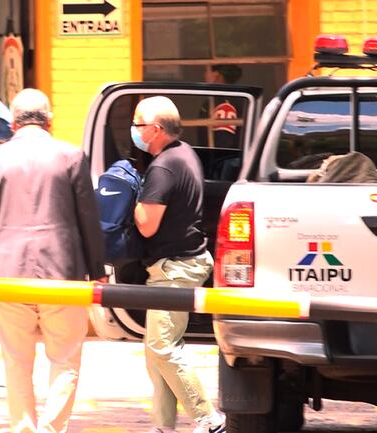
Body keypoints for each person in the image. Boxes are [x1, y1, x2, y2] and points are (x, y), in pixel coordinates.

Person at [0, 88, 106, 433]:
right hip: (63, 274)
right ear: (50, 121)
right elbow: (89, 219)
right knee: (65, 358)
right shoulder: (71, 156)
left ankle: (24, 429)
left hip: (6, 275)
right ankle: (51, 429)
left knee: (16, 362)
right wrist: (98, 272)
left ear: (13, 123)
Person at [130, 96, 226, 433]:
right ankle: (163, 426)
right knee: (157, 350)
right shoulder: (185, 154)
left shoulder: (163, 167)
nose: (134, 130)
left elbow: (146, 225)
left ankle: (208, 419)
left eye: (138, 124)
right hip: (182, 264)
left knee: (162, 346)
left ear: (155, 129)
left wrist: (130, 198)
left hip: (175, 268)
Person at [198, 64, 243, 149]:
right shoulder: (223, 97)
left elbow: (224, 142)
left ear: (216, 75)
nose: (204, 75)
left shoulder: (224, 102)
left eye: (207, 71)